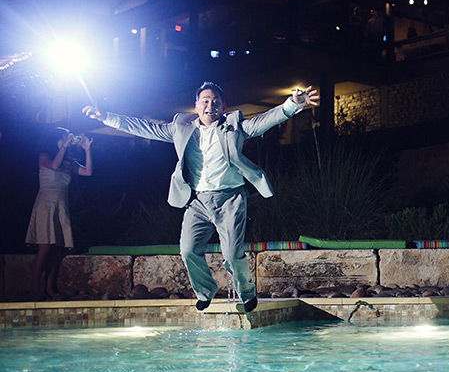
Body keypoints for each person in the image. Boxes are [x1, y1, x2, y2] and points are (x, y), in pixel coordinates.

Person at [83, 82, 319, 312]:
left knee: (231, 255)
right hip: (197, 201)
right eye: (205, 101)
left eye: (215, 102)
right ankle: (205, 292)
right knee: (187, 250)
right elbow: (143, 127)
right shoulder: (180, 128)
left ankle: (246, 293)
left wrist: (292, 104)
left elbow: (264, 121)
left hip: (230, 199)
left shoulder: (234, 126)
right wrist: (105, 116)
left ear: (222, 106)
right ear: (196, 105)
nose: (210, 105)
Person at [25, 128, 94, 299]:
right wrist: (63, 147)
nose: (68, 141)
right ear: (56, 141)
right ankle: (34, 288)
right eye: (65, 138)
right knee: (44, 248)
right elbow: (53, 166)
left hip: (61, 206)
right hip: (45, 206)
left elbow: (88, 172)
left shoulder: (69, 162)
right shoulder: (44, 156)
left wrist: (87, 150)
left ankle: (50, 287)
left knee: (57, 249)